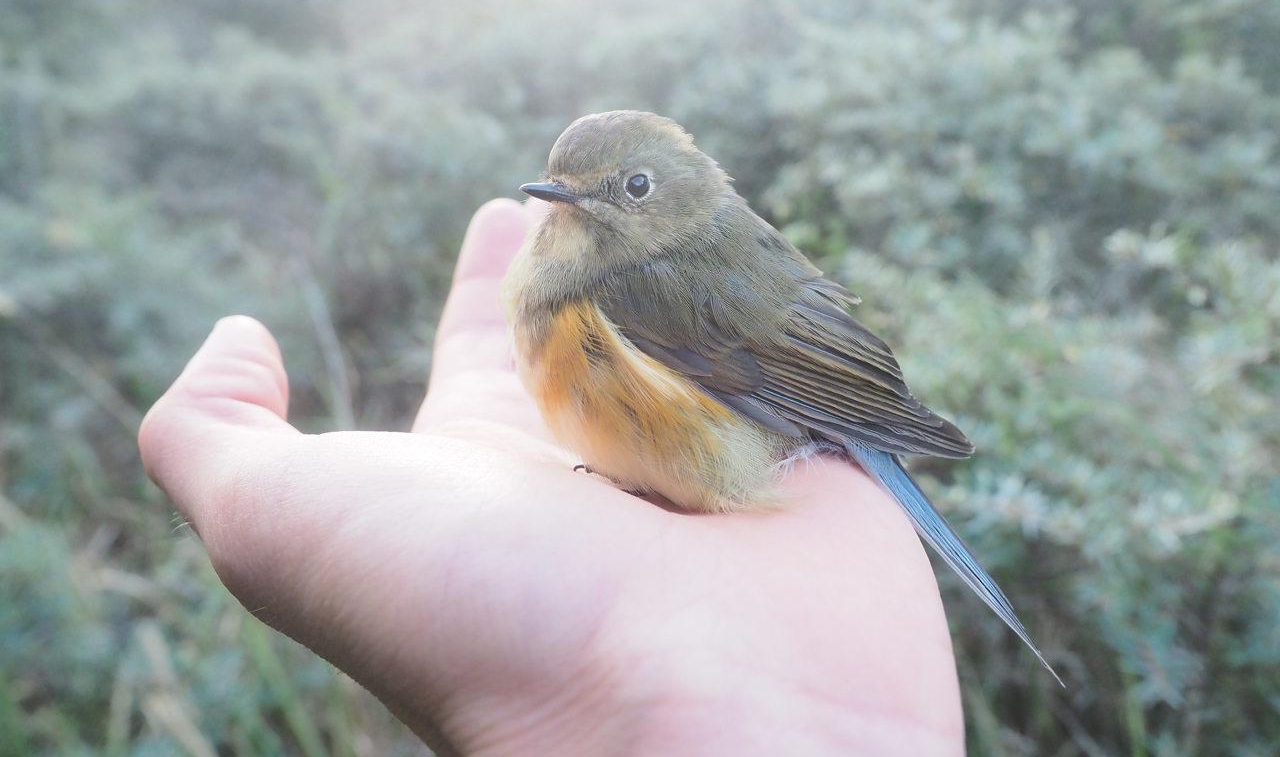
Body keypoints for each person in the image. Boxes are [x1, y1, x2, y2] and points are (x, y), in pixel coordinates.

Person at [138, 198, 964, 757]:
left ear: (674, 193)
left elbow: (772, 370)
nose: (584, 203)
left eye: (630, 188)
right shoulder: (569, 267)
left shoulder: (643, 283)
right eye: (566, 189)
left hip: (790, 403)